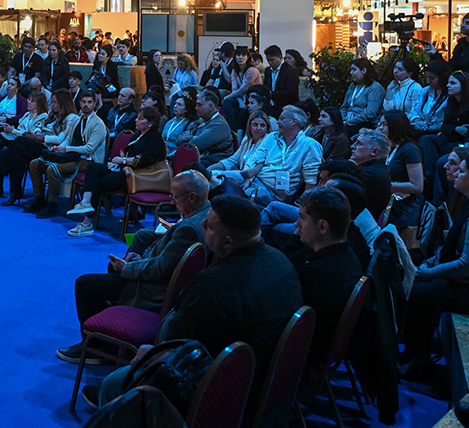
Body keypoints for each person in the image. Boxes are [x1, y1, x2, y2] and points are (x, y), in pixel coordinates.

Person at [94, 196, 302, 409]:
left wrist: (150, 354)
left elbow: (176, 349)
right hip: (269, 382)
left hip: (221, 391)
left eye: (209, 226)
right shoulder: (281, 261)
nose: (201, 225)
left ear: (228, 241)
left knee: (112, 384)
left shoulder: (213, 286)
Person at [56, 171, 211, 364]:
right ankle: (108, 339)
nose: (171, 202)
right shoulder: (205, 213)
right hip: (161, 282)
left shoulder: (188, 228)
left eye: (174, 197)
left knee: (85, 284)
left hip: (153, 291)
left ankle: (95, 347)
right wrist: (135, 261)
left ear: (191, 197)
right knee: (112, 269)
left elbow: (160, 270)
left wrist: (129, 267)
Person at [402, 146, 469, 375]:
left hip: (466, 287)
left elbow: (465, 265)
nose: (454, 173)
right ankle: (416, 353)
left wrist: (430, 271)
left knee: (421, 293)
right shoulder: (463, 202)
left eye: (461, 170)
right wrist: (430, 265)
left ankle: (419, 357)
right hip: (459, 281)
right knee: (419, 285)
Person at [291, 186, 364, 370]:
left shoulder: (315, 275)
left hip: (299, 358)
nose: (296, 224)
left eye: (302, 217)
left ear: (323, 226)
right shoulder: (347, 254)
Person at [66, 107, 167, 237]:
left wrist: (123, 160)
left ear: (151, 123)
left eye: (141, 119)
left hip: (139, 177)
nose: (136, 120)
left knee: (99, 182)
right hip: (126, 171)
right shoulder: (138, 135)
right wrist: (117, 163)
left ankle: (87, 222)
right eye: (137, 117)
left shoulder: (155, 138)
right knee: (93, 168)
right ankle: (85, 203)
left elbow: (148, 160)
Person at [0, 90, 79, 205]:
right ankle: (15, 193)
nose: (53, 104)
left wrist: (40, 138)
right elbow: (41, 127)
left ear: (63, 103)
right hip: (42, 144)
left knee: (19, 142)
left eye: (55, 102)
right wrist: (38, 133)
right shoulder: (54, 115)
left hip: (49, 148)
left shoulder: (72, 118)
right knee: (16, 156)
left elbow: (60, 139)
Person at [27, 91, 107, 219]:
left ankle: (52, 204)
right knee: (34, 164)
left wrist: (66, 149)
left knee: (52, 168)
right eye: (84, 102)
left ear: (95, 104)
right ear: (80, 103)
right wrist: (58, 148)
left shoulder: (98, 124)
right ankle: (39, 199)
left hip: (88, 161)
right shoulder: (78, 120)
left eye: (90, 102)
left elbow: (89, 149)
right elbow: (68, 138)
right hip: (72, 156)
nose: (86, 105)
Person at [230, 105, 322, 205]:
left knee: (235, 196)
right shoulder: (272, 137)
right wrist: (249, 178)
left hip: (273, 192)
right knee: (220, 177)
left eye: (282, 119)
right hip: (255, 179)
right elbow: (255, 158)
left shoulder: (310, 145)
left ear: (294, 121)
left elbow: (310, 180)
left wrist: (304, 207)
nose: (277, 122)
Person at [0, 92, 47, 196]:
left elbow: (29, 135)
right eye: (29, 99)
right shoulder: (27, 114)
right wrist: (10, 129)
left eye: (32, 101)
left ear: (39, 104)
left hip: (30, 146)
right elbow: (20, 130)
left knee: (4, 151)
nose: (28, 102)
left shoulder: (43, 117)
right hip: (17, 141)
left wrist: (13, 131)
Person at [420, 70, 469, 202]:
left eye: (453, 83)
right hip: (450, 137)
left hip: (463, 143)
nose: (448, 86)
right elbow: (444, 125)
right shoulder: (451, 103)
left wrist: (453, 129)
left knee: (442, 160)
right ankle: (428, 177)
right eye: (448, 83)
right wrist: (456, 128)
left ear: (463, 85)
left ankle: (439, 201)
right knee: (426, 139)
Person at [377, 110, 424, 227]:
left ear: (395, 126)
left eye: (384, 124)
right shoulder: (386, 148)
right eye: (379, 124)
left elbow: (417, 186)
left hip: (406, 205)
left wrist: (385, 186)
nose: (380, 128)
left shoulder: (409, 149)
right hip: (388, 200)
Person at [209, 110, 271, 184]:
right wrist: (211, 167)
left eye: (262, 125)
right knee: (212, 172)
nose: (258, 128)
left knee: (215, 175)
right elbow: (232, 160)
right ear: (249, 127)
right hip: (241, 175)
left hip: (255, 180)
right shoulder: (247, 140)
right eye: (255, 125)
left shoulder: (268, 142)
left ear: (267, 128)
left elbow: (258, 167)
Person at [176, 89, 234, 166]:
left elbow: (195, 145)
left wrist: (190, 136)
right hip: (201, 157)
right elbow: (178, 140)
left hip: (214, 162)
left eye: (199, 105)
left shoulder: (219, 125)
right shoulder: (201, 120)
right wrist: (194, 137)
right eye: (196, 104)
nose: (196, 108)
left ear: (210, 106)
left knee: (185, 164)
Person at [350, 128, 393, 220]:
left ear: (374, 152)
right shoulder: (376, 169)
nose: (352, 146)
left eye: (359, 144)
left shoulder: (370, 175)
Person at [340, 58, 385, 137]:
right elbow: (344, 106)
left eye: (354, 70)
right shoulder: (353, 86)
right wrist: (343, 120)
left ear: (364, 70)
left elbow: (370, 113)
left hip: (365, 123)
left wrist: (348, 122)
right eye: (351, 70)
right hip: (347, 120)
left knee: (342, 134)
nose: (351, 73)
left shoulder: (375, 88)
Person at [221, 46, 262, 132]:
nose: (240, 57)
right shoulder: (234, 71)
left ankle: (236, 130)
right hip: (241, 98)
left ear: (248, 58)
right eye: (238, 55)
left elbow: (243, 89)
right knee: (227, 102)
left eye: (243, 55)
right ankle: (231, 130)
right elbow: (235, 89)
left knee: (227, 100)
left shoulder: (252, 70)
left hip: (254, 96)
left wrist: (227, 97)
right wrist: (240, 102)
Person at [409, 59, 450, 136]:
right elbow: (415, 110)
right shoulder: (424, 91)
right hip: (421, 127)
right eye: (427, 77)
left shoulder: (450, 94)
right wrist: (418, 121)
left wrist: (428, 126)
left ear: (442, 78)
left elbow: (447, 122)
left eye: (432, 78)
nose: (428, 81)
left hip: (438, 131)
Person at [263, 45, 299, 117]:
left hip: (285, 107)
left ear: (280, 57)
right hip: (270, 106)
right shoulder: (268, 71)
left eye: (272, 60)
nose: (270, 63)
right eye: (268, 60)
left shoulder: (290, 71)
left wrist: (272, 94)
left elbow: (291, 93)